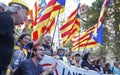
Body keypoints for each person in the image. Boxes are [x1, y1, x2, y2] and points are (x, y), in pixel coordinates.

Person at [0, 0, 30, 74]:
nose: (26, 17)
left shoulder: (9, 22)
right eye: (26, 13)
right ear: (17, 9)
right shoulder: (5, 19)